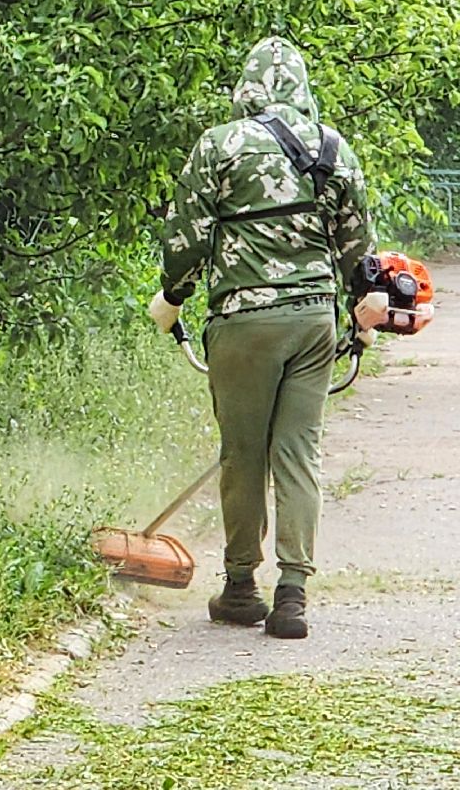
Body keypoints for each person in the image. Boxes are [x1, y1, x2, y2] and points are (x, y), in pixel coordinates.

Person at [147, 36, 375, 640]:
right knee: (299, 452)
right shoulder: (332, 147)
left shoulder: (219, 145)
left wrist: (173, 297)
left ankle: (241, 587)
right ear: (302, 87)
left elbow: (187, 238)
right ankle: (293, 593)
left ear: (245, 88)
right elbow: (359, 248)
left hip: (243, 322)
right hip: (313, 321)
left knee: (244, 452)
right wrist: (359, 313)